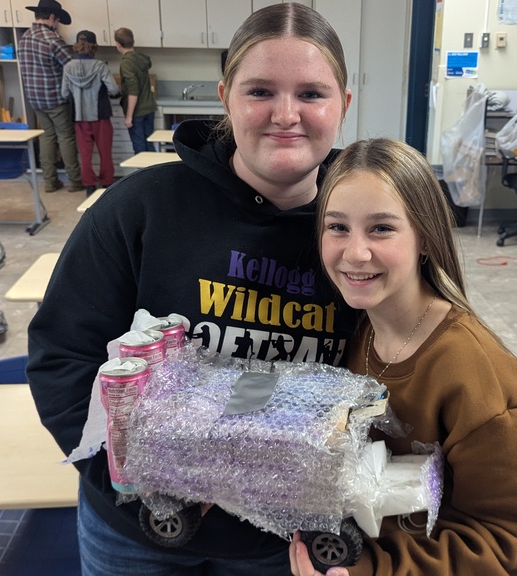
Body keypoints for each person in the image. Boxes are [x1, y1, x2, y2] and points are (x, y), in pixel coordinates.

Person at [26, 4, 356, 574]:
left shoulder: (367, 232)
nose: (285, 115)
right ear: (225, 97)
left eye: (311, 93)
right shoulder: (138, 210)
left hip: (284, 544)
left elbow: (409, 368)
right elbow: (64, 360)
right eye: (260, 91)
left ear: (343, 105)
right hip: (137, 531)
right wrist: (138, 482)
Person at [288, 138, 517, 575]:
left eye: (381, 228)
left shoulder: (474, 378)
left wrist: (369, 569)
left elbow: (508, 544)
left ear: (425, 238)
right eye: (337, 227)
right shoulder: (362, 329)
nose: (355, 252)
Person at [17, 0, 83, 192]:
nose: (58, 24)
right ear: (52, 17)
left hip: (35, 99)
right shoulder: (53, 40)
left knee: (47, 137)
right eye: (58, 20)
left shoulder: (24, 38)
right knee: (66, 137)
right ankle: (74, 181)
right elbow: (71, 68)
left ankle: (50, 181)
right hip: (55, 98)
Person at [62, 29, 120, 194]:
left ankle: (89, 185)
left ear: (77, 45)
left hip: (80, 118)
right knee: (105, 152)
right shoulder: (100, 66)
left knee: (85, 154)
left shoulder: (68, 67)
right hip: (100, 115)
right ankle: (107, 183)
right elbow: (114, 89)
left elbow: (64, 93)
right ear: (94, 46)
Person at [114, 27, 157, 154]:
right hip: (149, 108)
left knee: (140, 150)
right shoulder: (141, 59)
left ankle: (144, 174)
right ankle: (154, 173)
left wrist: (128, 116)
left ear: (118, 44)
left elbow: (133, 91)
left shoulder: (126, 63)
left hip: (137, 111)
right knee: (149, 146)